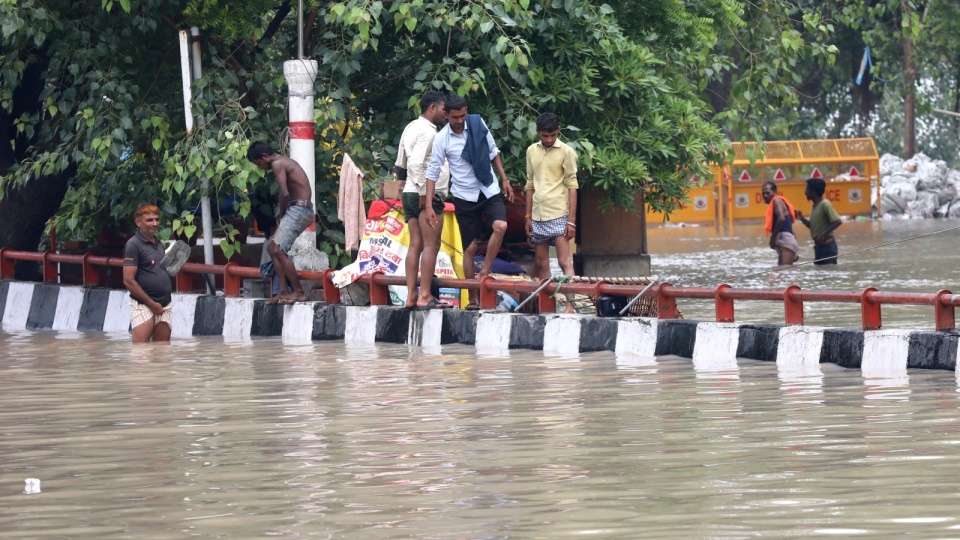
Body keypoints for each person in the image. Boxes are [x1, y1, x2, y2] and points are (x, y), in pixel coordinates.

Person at [423, 95, 515, 310]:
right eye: (455, 117)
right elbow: (432, 171)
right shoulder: (442, 139)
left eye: (463, 115)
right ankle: (473, 298)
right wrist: (428, 204)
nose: (460, 120)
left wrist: (504, 179)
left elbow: (493, 151)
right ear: (446, 115)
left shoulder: (477, 122)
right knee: (470, 248)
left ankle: (484, 273)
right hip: (464, 194)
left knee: (501, 226)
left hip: (488, 186)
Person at [396, 90, 453, 310]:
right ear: (433, 108)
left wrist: (408, 189)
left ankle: (411, 295)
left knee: (415, 244)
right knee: (431, 245)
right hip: (426, 193)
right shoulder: (429, 132)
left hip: (409, 191)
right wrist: (424, 195)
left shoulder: (410, 127)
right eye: (443, 110)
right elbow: (417, 163)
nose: (445, 115)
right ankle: (425, 295)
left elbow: (400, 163)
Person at [247, 141, 314, 304]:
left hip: (298, 209)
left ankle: (299, 292)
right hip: (299, 209)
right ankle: (283, 291)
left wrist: (283, 216)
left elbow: (284, 194)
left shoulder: (277, 164)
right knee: (272, 248)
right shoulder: (284, 162)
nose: (261, 167)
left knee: (279, 250)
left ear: (264, 156)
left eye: (259, 163)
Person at [524, 112, 578, 313]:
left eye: (552, 135)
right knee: (540, 262)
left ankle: (570, 306)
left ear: (558, 132)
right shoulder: (531, 151)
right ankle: (549, 305)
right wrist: (527, 216)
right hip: (537, 213)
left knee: (565, 261)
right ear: (538, 132)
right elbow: (530, 184)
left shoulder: (567, 152)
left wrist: (571, 221)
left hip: (558, 213)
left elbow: (572, 185)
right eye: (545, 135)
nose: (548, 139)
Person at [122, 204, 172, 343]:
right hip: (143, 306)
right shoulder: (133, 245)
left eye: (156, 219)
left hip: (165, 305)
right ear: (138, 222)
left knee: (163, 352)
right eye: (149, 220)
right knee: (140, 354)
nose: (154, 224)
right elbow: (128, 281)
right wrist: (151, 304)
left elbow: (160, 270)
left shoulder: (159, 243)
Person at [795, 177, 842, 265]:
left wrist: (823, 234)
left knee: (828, 273)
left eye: (807, 190)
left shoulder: (825, 204)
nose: (805, 193)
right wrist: (802, 219)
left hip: (828, 248)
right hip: (819, 247)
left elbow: (837, 221)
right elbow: (812, 226)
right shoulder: (814, 206)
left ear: (813, 191)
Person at [761, 181, 800, 266]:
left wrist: (772, 238)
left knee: (784, 272)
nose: (765, 196)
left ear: (775, 192)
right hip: (785, 240)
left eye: (768, 193)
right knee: (782, 272)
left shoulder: (777, 200)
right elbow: (789, 228)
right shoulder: (776, 202)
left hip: (785, 240)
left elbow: (781, 219)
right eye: (763, 193)